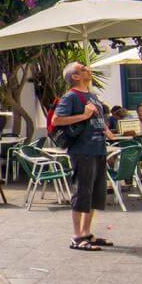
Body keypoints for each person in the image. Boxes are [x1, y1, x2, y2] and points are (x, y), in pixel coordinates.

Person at [53, 62, 117, 251]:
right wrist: (82, 116)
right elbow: (57, 120)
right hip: (82, 150)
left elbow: (96, 118)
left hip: (98, 148)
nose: (87, 69)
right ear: (75, 76)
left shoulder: (92, 96)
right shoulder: (71, 97)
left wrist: (106, 129)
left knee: (95, 193)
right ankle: (76, 236)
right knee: (82, 192)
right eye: (83, 69)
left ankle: (86, 232)